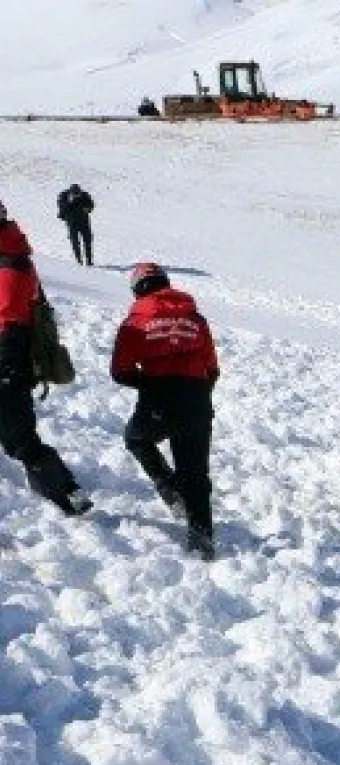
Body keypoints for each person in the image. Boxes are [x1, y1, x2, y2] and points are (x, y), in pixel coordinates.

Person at [110, 263, 220, 558]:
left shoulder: (135, 320)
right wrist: (196, 395)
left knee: (137, 439)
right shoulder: (196, 318)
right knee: (195, 474)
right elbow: (212, 369)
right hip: (197, 400)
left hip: (158, 398)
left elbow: (120, 371)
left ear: (138, 289)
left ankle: (169, 488)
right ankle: (203, 542)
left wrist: (151, 384)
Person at [0, 203, 89, 516]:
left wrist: (8, 371)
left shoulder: (9, 266)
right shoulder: (12, 255)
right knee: (20, 437)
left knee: (20, 440)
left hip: (8, 361)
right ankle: (69, 492)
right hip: (13, 359)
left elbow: (11, 321)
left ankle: (67, 498)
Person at [56, 184, 95, 267]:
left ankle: (89, 262)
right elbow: (62, 209)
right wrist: (69, 202)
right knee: (75, 241)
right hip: (71, 222)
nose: (77, 196)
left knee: (88, 240)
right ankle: (79, 262)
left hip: (84, 221)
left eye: (78, 194)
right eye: (76, 195)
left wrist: (88, 208)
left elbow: (91, 205)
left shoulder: (84, 195)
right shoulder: (63, 196)